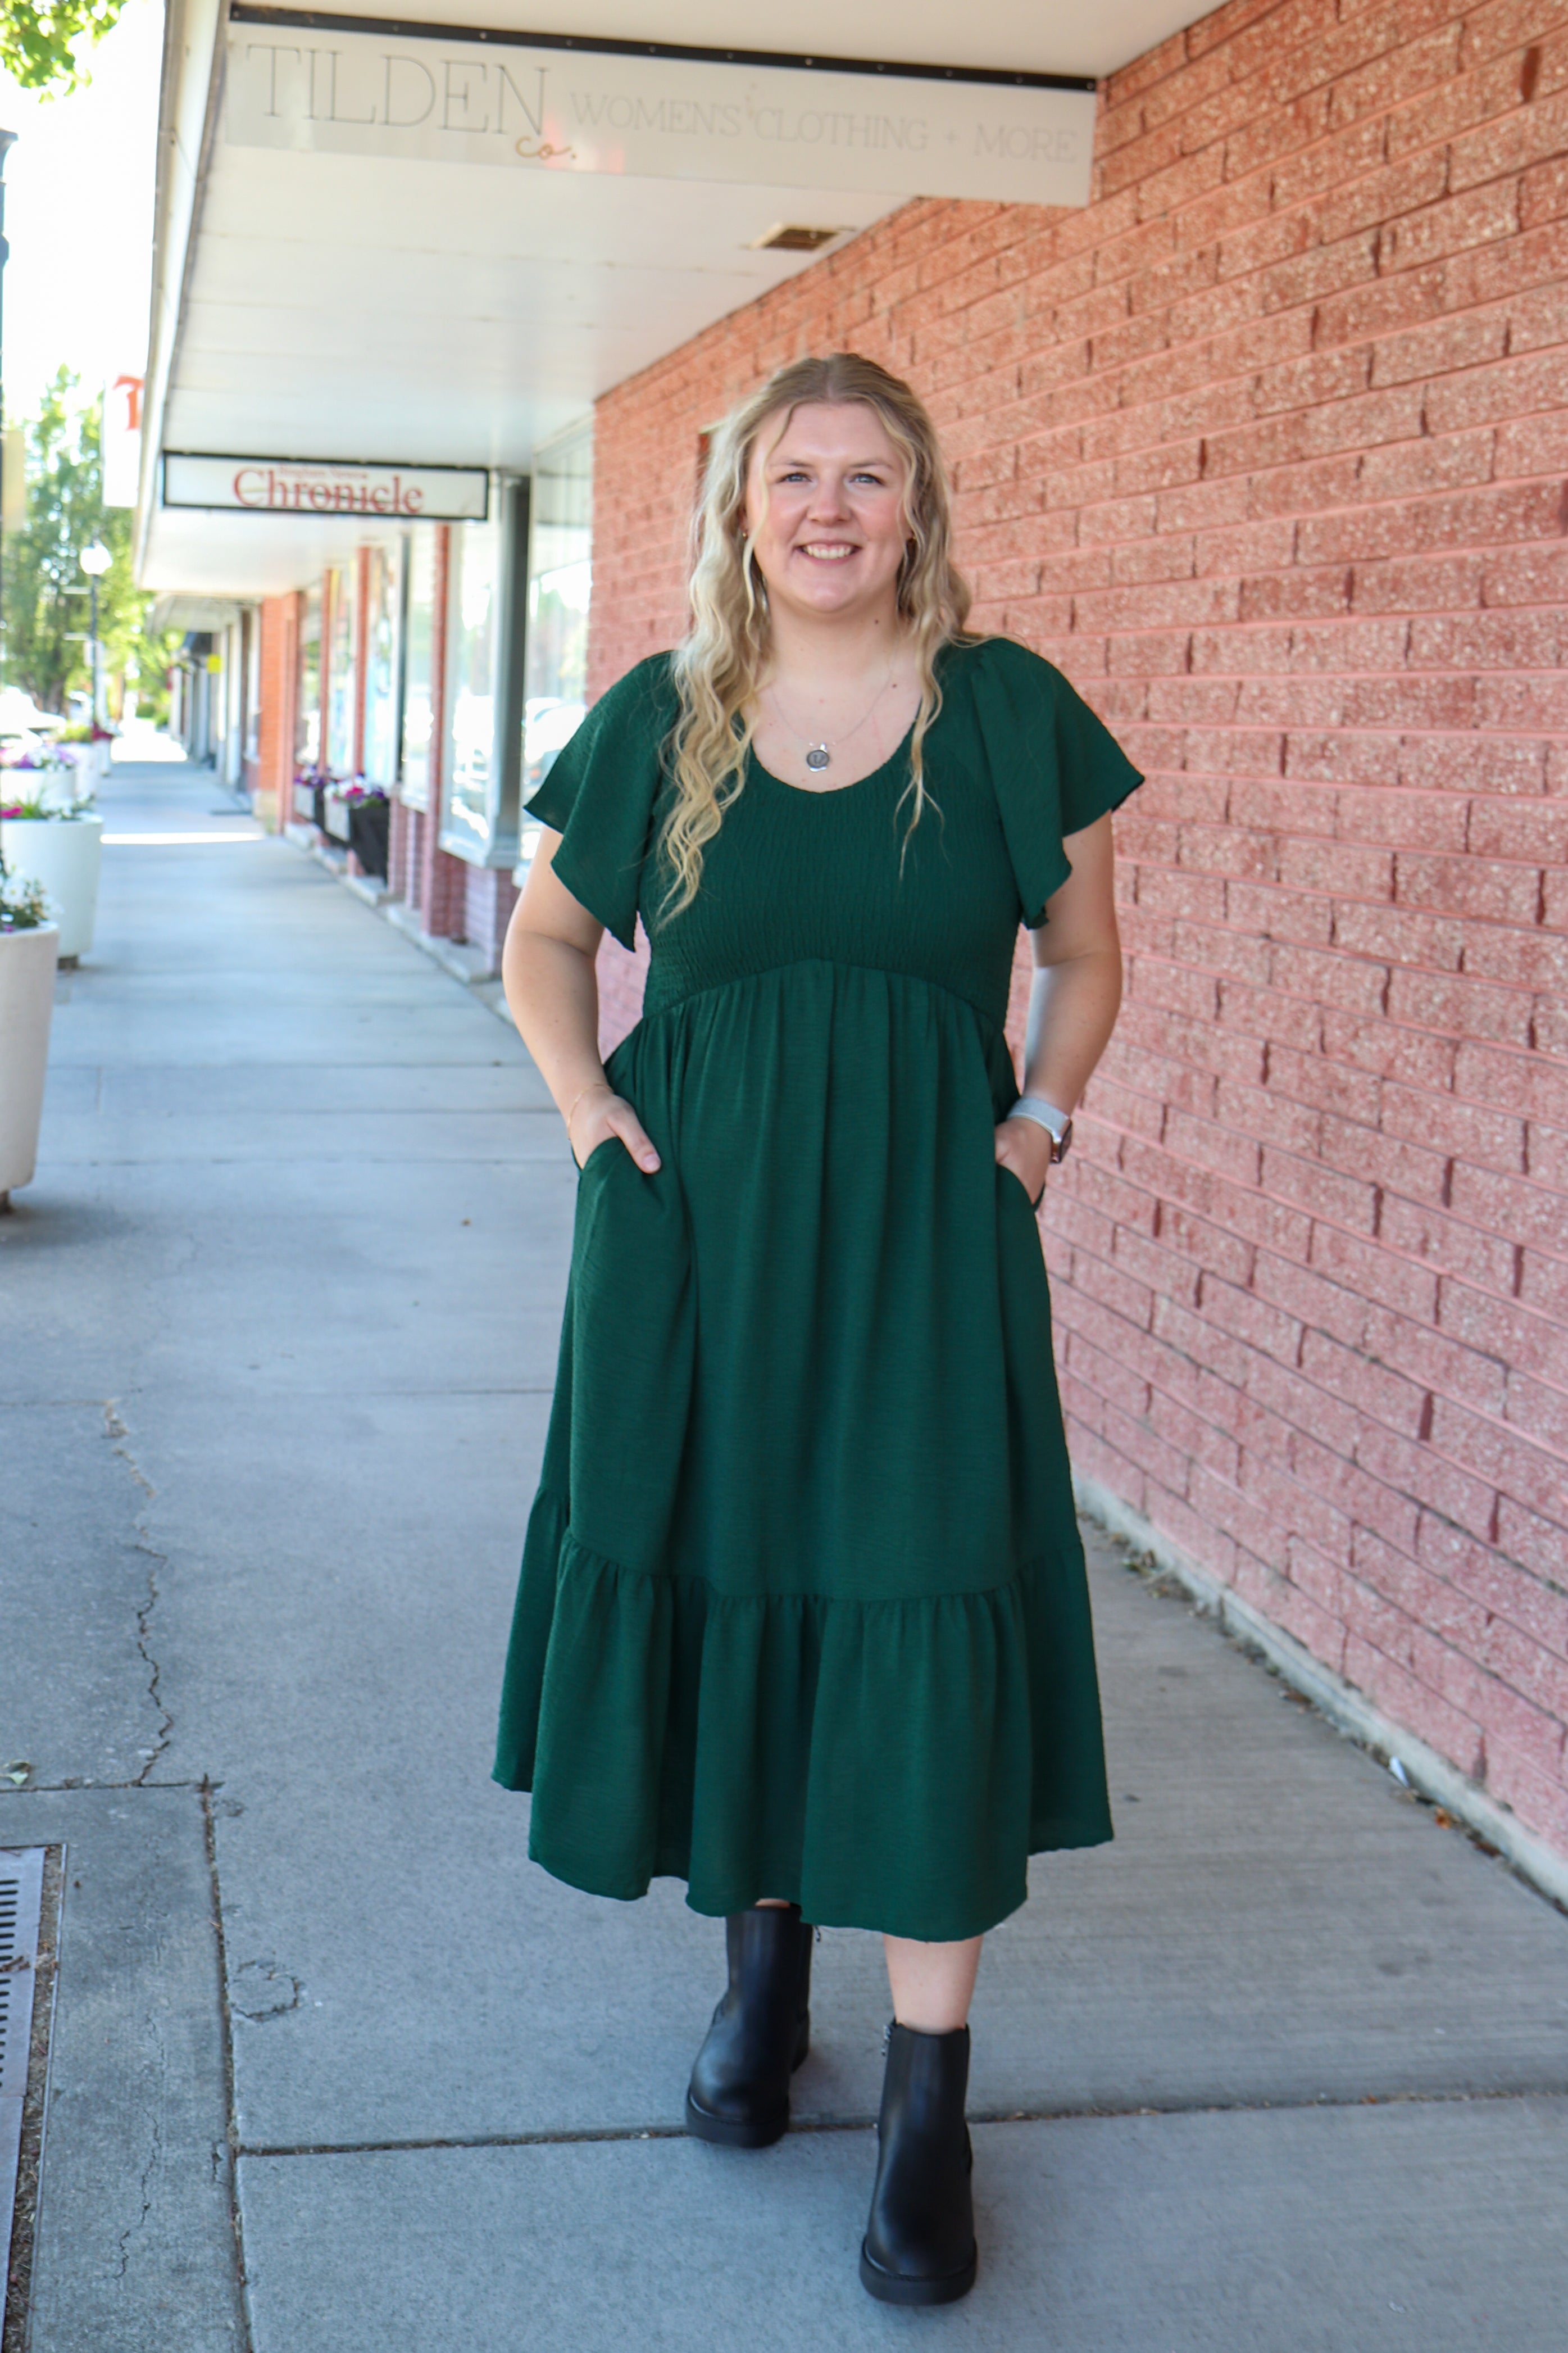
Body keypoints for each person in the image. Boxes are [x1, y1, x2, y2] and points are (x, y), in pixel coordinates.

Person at [496, 351, 1140, 2305]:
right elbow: (544, 938)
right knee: (743, 1579)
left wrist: (1033, 1131)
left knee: (920, 1590)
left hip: (928, 1247)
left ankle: (929, 2109)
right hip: (695, 1245)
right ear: (744, 506)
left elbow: (1087, 954)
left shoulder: (1010, 713)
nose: (834, 507)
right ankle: (761, 1990)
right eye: (799, 476)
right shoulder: (664, 713)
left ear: (918, 503)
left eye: (870, 475)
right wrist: (593, 1113)